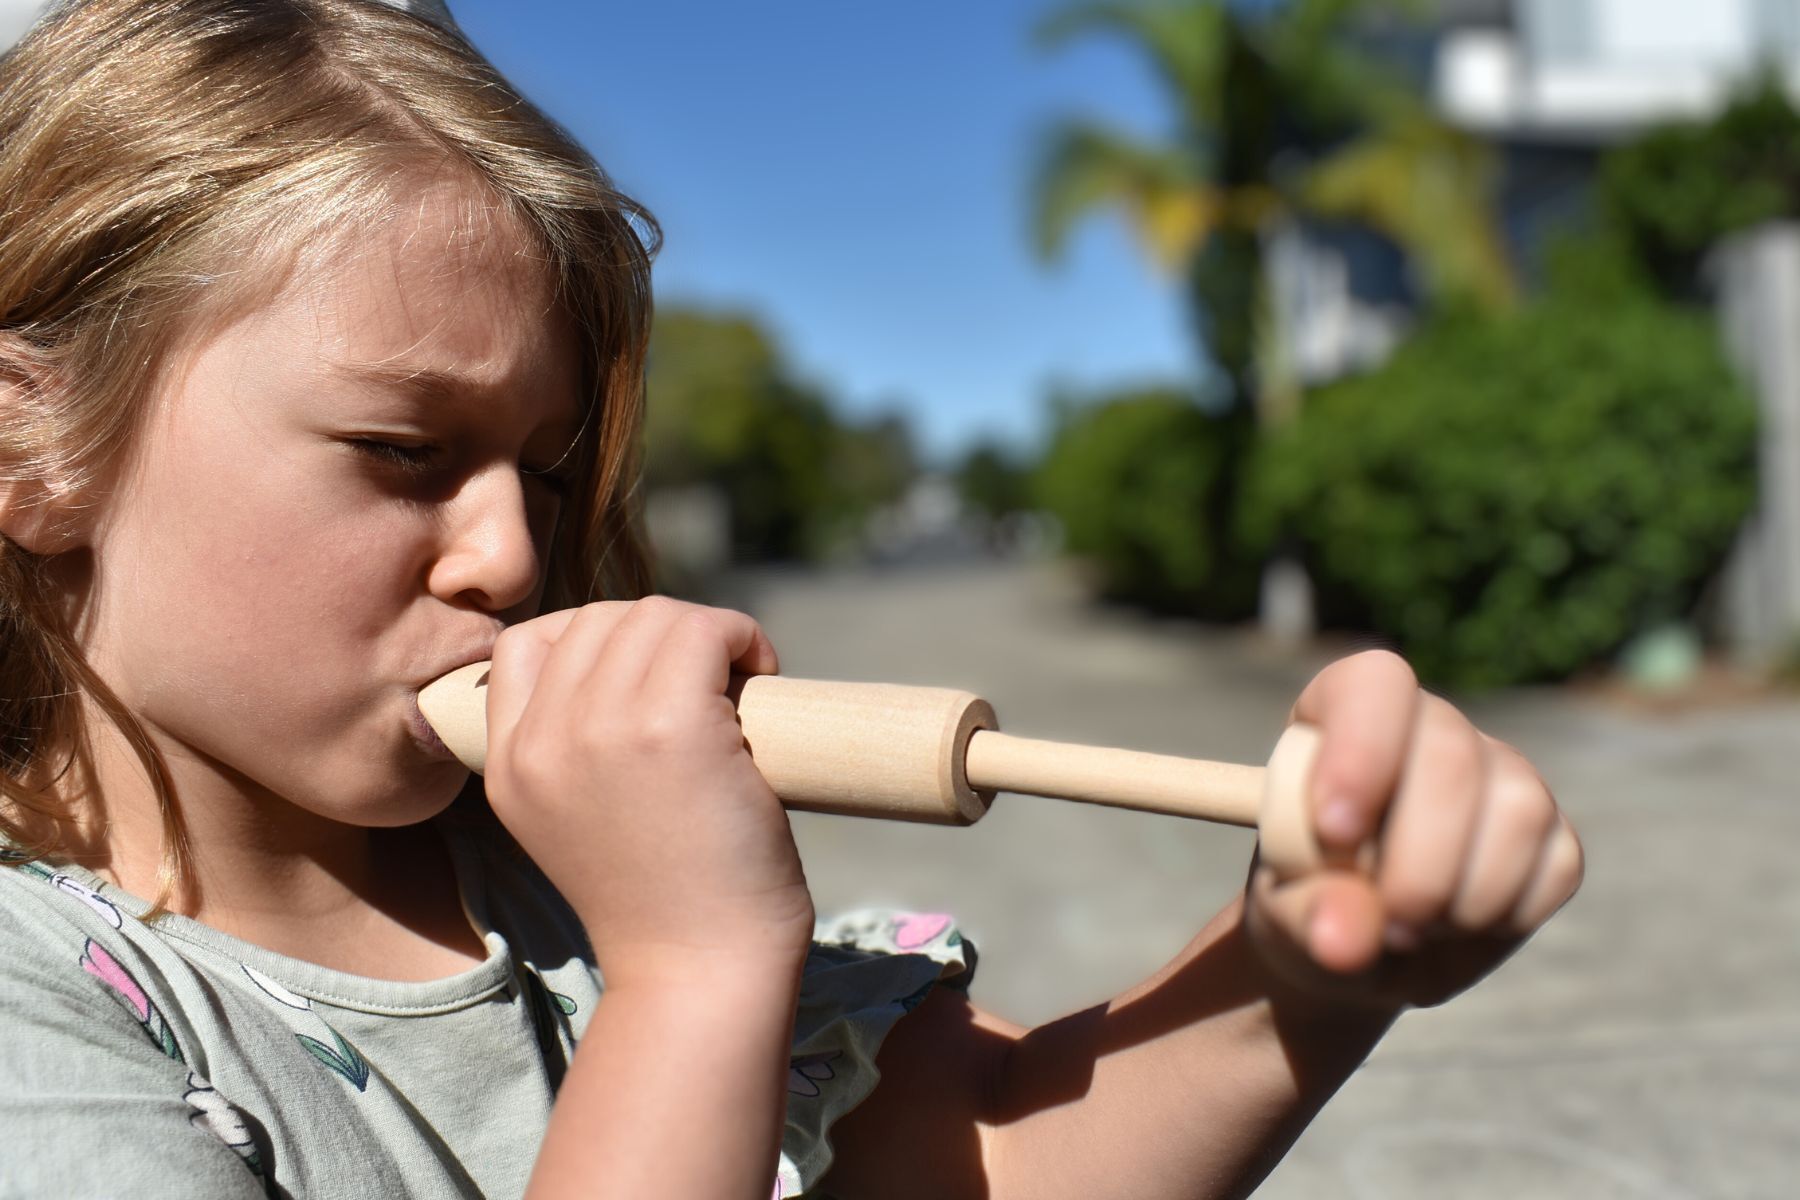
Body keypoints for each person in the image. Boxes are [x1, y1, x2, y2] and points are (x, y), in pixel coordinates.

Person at [0, 1, 1584, 1197]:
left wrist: (1297, 975)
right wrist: (692, 971)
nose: (508, 556)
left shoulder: (543, 881)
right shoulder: (39, 1021)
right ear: (34, 449)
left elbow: (997, 1164)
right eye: (407, 449)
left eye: (547, 475)